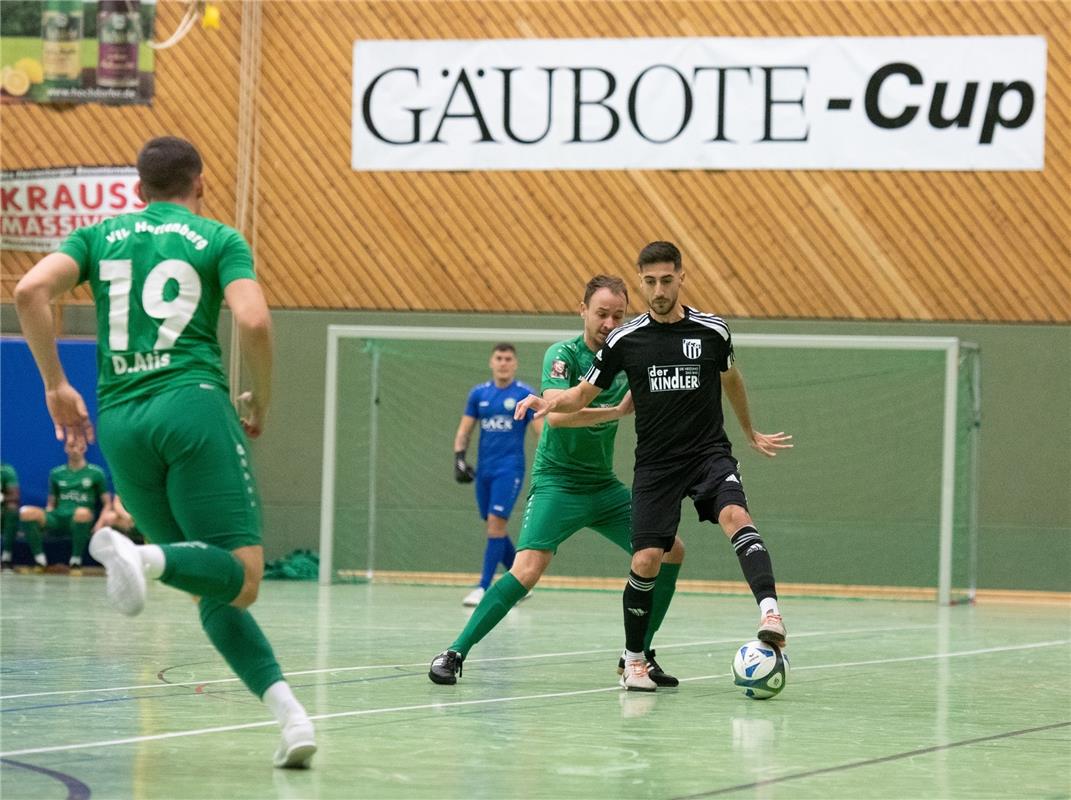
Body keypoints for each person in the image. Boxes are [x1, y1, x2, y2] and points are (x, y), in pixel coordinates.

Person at [13, 136, 316, 768]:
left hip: (120, 420)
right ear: (200, 183)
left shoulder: (99, 236)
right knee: (246, 576)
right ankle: (143, 556)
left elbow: (29, 291)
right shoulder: (220, 240)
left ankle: (291, 719)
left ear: (136, 188)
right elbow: (255, 322)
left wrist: (55, 384)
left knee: (213, 583)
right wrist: (260, 395)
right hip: (192, 407)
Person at [516, 241, 793, 692]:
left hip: (707, 454)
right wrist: (545, 400)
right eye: (650, 282)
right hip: (656, 466)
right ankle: (634, 659)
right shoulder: (626, 341)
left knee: (736, 516)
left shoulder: (713, 331)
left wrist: (749, 431)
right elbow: (581, 395)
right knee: (647, 558)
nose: (659, 290)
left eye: (667, 280)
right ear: (641, 282)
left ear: (681, 277)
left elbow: (732, 380)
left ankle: (770, 613)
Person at [430, 275, 686, 687]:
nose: (608, 323)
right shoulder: (562, 355)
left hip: (603, 487)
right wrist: (615, 412)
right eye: (601, 313)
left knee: (671, 551)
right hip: (558, 484)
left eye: (618, 316)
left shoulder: (628, 359)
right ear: (583, 311)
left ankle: (639, 655)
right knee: (528, 568)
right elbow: (560, 416)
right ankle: (455, 652)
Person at [453, 343, 543, 606]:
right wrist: (459, 458)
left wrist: (547, 461)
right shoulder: (478, 394)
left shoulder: (524, 394)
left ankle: (483, 587)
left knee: (495, 524)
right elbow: (464, 430)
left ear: (515, 364)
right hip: (485, 471)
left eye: (508, 359)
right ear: (491, 362)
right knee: (494, 527)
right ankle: (521, 584)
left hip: (509, 469)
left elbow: (542, 432)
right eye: (499, 358)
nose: (503, 363)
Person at [18, 438, 111, 574]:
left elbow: (107, 503)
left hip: (80, 518)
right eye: (71, 446)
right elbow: (51, 503)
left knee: (82, 513)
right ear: (66, 449)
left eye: (78, 446)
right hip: (58, 516)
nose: (74, 450)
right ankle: (40, 561)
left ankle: (75, 562)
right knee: (25, 512)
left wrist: (100, 524)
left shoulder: (96, 473)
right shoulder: (56, 473)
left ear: (84, 448)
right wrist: (45, 518)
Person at [0, 462, 19, 570]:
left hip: (2, 513)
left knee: (12, 508)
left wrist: (2, 498)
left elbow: (14, 496)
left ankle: (6, 557)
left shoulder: (6, 470)